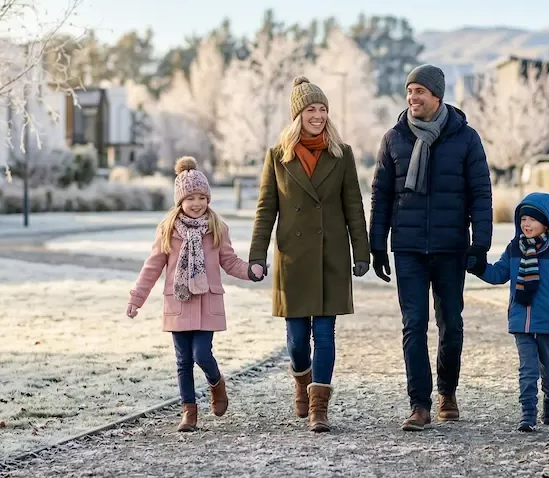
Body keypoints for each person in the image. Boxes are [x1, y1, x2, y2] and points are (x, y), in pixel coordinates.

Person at [369, 63, 493, 431]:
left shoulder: (466, 138)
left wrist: (480, 243)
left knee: (451, 324)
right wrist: (378, 245)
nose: (413, 98)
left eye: (419, 91)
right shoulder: (394, 138)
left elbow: (481, 193)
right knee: (413, 324)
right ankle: (419, 404)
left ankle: (447, 392)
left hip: (450, 246)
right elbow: (381, 194)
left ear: (437, 95)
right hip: (407, 247)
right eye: (409, 92)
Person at [249, 76, 371, 433]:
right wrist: (258, 256)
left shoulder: (341, 153)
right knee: (297, 340)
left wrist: (360, 250)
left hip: (330, 254)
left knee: (327, 333)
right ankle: (301, 380)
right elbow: (265, 210)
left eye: (322, 109)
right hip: (294, 257)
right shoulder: (277, 157)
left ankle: (319, 407)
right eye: (310, 110)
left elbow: (354, 205)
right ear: (297, 115)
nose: (317, 116)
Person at [127, 156, 263, 432]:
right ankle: (189, 411)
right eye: (191, 198)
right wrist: (136, 299)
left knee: (202, 354)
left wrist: (250, 271)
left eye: (202, 197)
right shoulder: (167, 230)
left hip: (206, 302)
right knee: (183, 360)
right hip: (178, 302)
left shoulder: (216, 228)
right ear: (180, 201)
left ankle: (216, 383)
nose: (197, 203)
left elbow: (230, 261)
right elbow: (152, 267)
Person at [470, 192, 549, 432]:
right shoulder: (514, 249)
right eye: (523, 219)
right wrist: (478, 267)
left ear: (547, 223)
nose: (526, 224)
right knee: (527, 369)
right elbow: (498, 274)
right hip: (521, 321)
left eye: (532, 219)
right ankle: (527, 414)